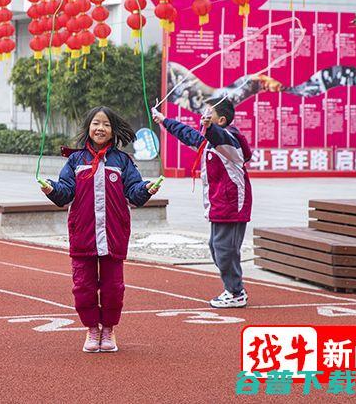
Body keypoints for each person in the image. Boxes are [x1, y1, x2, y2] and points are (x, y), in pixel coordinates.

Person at [41, 106, 159, 353]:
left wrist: (147, 189)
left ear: (113, 130)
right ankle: (91, 329)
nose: (100, 128)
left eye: (106, 124)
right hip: (83, 233)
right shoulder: (75, 160)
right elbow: (65, 193)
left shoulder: (122, 161)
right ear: (88, 128)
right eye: (96, 123)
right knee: (82, 287)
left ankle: (108, 330)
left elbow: (134, 194)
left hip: (114, 235)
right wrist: (51, 189)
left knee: (113, 288)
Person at [152, 97, 252, 308]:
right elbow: (187, 134)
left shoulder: (230, 141)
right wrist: (163, 120)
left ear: (221, 120)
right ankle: (234, 288)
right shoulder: (209, 141)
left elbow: (222, 136)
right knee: (216, 248)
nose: (203, 117)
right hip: (219, 205)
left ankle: (235, 292)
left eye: (209, 114)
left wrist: (211, 128)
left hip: (233, 205)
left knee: (225, 249)